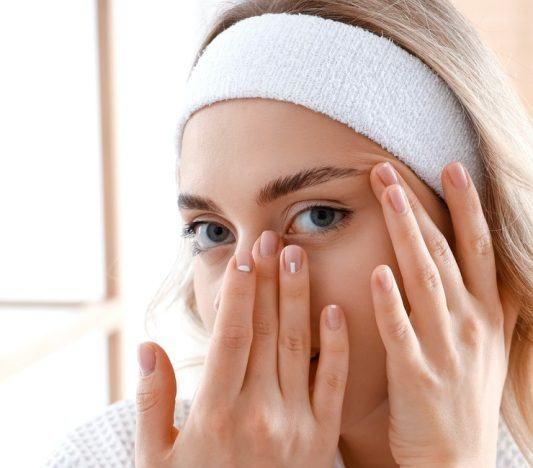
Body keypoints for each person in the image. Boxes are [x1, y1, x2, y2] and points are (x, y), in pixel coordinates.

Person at [44, 1, 532, 467]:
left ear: (470, 230)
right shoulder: (102, 456)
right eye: (212, 231)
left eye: (319, 216)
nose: (251, 289)